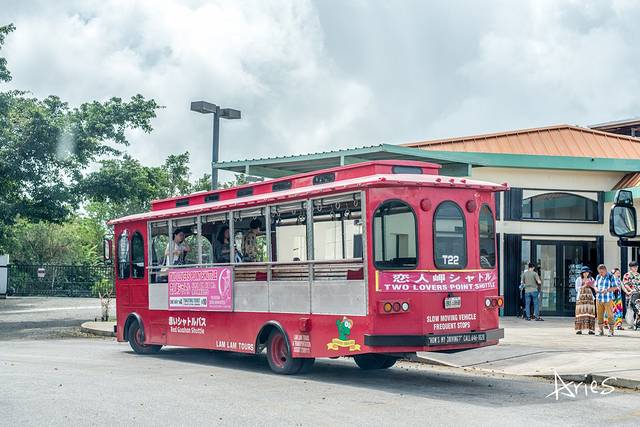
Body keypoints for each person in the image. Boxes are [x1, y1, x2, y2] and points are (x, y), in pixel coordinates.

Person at [594, 264, 619, 337]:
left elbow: (615, 287)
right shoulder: (598, 276)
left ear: (605, 270)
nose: (600, 274)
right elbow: (595, 286)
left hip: (608, 299)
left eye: (602, 272)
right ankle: (600, 330)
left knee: (610, 315)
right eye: (599, 272)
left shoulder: (611, 276)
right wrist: (596, 290)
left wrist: (607, 290)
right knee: (599, 315)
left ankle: (611, 331)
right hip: (599, 298)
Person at [574, 266, 596, 335]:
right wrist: (584, 285)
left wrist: (591, 285)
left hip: (589, 298)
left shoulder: (591, 279)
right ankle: (579, 329)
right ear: (582, 273)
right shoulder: (578, 279)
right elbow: (577, 289)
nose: (586, 273)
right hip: (581, 298)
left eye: (587, 272)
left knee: (590, 312)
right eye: (584, 272)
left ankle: (591, 330)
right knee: (580, 312)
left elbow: (595, 287)